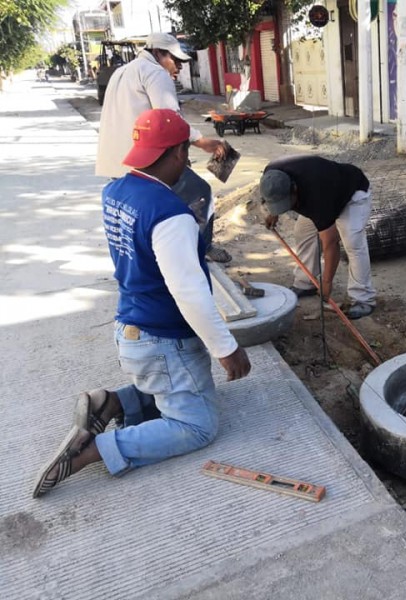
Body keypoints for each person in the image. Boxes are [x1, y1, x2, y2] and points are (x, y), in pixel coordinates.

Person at [33, 109, 251, 498]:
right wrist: (226, 347)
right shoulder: (171, 215)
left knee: (175, 388)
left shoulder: (115, 192)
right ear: (180, 154)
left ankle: (112, 402)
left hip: (131, 331)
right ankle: (93, 451)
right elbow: (188, 291)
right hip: (164, 341)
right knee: (198, 425)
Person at [95, 32, 232, 263]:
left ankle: (163, 251)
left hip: (116, 161)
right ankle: (202, 248)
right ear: (158, 53)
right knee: (201, 193)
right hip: (144, 160)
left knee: (142, 210)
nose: (178, 67)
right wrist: (203, 142)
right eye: (175, 60)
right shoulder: (155, 73)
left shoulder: (122, 72)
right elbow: (171, 119)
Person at [259, 155, 377, 320]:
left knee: (352, 240)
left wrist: (327, 282)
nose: (287, 208)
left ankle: (363, 298)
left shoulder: (317, 193)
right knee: (302, 231)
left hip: (352, 193)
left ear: (294, 188)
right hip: (322, 193)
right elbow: (273, 195)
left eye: (287, 202)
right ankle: (305, 282)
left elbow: (330, 244)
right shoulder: (271, 175)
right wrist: (274, 212)